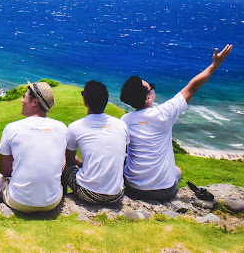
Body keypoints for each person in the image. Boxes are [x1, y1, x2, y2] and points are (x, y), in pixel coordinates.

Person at [120, 44, 233, 201]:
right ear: (148, 97)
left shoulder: (125, 120)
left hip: (133, 187)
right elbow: (192, 87)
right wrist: (215, 65)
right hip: (163, 191)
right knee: (177, 171)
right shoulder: (164, 113)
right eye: (149, 87)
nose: (152, 88)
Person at [0, 81, 68, 213]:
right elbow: (62, 163)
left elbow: (4, 171)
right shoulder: (62, 128)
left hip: (19, 202)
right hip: (52, 202)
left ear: (35, 102)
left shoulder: (12, 128)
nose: (22, 100)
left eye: (25, 97)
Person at [63, 80, 129, 204]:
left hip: (88, 193)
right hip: (116, 194)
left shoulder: (75, 127)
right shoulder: (121, 125)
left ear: (85, 102)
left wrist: (84, 164)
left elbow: (70, 160)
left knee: (65, 165)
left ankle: (62, 198)